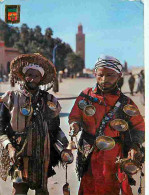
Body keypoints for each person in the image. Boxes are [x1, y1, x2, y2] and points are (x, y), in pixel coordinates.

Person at [69, 55, 145, 195]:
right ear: (95, 74)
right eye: (100, 75)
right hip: (89, 153)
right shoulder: (85, 96)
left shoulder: (126, 103)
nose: (104, 79)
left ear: (119, 75)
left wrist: (135, 146)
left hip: (113, 156)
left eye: (110, 75)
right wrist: (75, 125)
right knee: (89, 187)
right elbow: (76, 116)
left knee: (111, 187)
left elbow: (139, 127)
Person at [0, 53, 69, 195]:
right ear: (24, 76)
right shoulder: (11, 98)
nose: (32, 78)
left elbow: (55, 128)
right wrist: (10, 147)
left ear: (41, 79)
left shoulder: (49, 101)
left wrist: (65, 145)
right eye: (29, 74)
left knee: (42, 191)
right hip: (18, 153)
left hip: (42, 155)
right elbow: (1, 127)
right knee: (19, 190)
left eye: (36, 76)